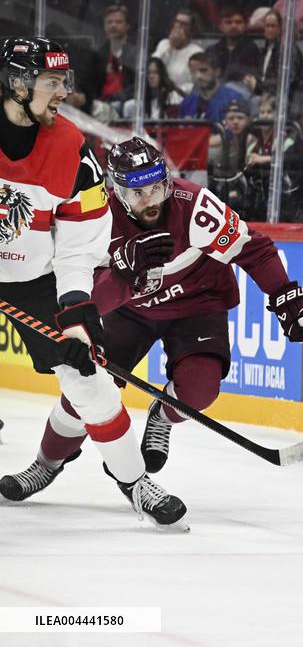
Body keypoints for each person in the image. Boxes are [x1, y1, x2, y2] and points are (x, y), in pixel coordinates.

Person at [0, 38, 186, 527]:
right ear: (19, 85)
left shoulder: (73, 156)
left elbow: (79, 248)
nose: (63, 92)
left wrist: (78, 312)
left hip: (33, 280)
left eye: (65, 82)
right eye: (52, 82)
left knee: (89, 381)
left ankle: (133, 479)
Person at [53, 136, 303, 475]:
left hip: (197, 303)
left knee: (200, 389)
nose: (151, 200)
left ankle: (162, 415)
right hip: (131, 309)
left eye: (156, 188)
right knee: (85, 384)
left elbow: (253, 249)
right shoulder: (98, 218)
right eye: (137, 192)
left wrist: (284, 295)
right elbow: (89, 297)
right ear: (117, 191)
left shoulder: (193, 205)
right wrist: (126, 272)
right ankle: (48, 461)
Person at [178, 52, 247, 124]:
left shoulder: (234, 99)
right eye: (193, 72)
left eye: (203, 70)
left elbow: (239, 131)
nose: (198, 76)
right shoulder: (187, 102)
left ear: (217, 72)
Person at [249, 10, 303, 95]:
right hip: (262, 94)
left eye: (273, 26)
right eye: (267, 26)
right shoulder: (264, 51)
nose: (270, 29)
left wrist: (258, 85)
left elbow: (285, 81)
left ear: (280, 28)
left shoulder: (288, 50)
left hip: (284, 99)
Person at [95, 3, 138, 109]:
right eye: (109, 22)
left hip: (125, 104)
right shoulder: (99, 53)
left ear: (127, 26)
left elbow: (138, 86)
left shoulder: (136, 53)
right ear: (104, 26)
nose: (113, 25)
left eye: (118, 22)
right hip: (101, 104)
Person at [152, 9, 204, 94]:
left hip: (181, 96)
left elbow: (196, 83)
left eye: (184, 24)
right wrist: (170, 45)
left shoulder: (197, 52)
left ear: (191, 29)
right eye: (177, 22)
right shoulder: (163, 44)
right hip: (159, 93)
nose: (179, 27)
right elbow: (153, 66)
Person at [206, 7, 262, 85]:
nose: (234, 26)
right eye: (228, 22)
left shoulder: (252, 50)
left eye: (238, 22)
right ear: (220, 26)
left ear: (245, 25)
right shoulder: (211, 51)